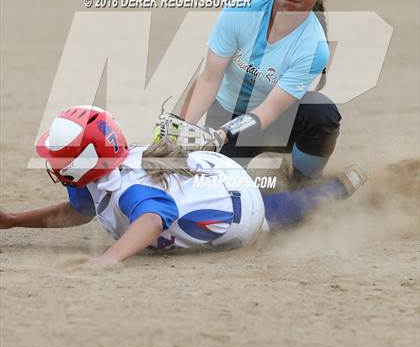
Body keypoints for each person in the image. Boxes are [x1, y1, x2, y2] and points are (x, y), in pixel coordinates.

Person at [0, 106, 365, 266]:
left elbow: (154, 217)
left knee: (271, 215)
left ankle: (335, 191)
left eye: (59, 157)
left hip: (237, 207)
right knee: (263, 200)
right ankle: (314, 191)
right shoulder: (101, 175)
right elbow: (78, 211)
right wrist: (14, 220)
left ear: (84, 164)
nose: (53, 162)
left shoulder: (130, 190)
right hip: (209, 176)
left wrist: (110, 258)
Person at [180, 0, 342, 183]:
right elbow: (209, 79)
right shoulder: (241, 10)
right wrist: (180, 130)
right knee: (214, 187)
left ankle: (304, 187)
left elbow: (271, 109)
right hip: (226, 112)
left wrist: (225, 133)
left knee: (321, 111)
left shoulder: (314, 47)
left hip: (278, 122)